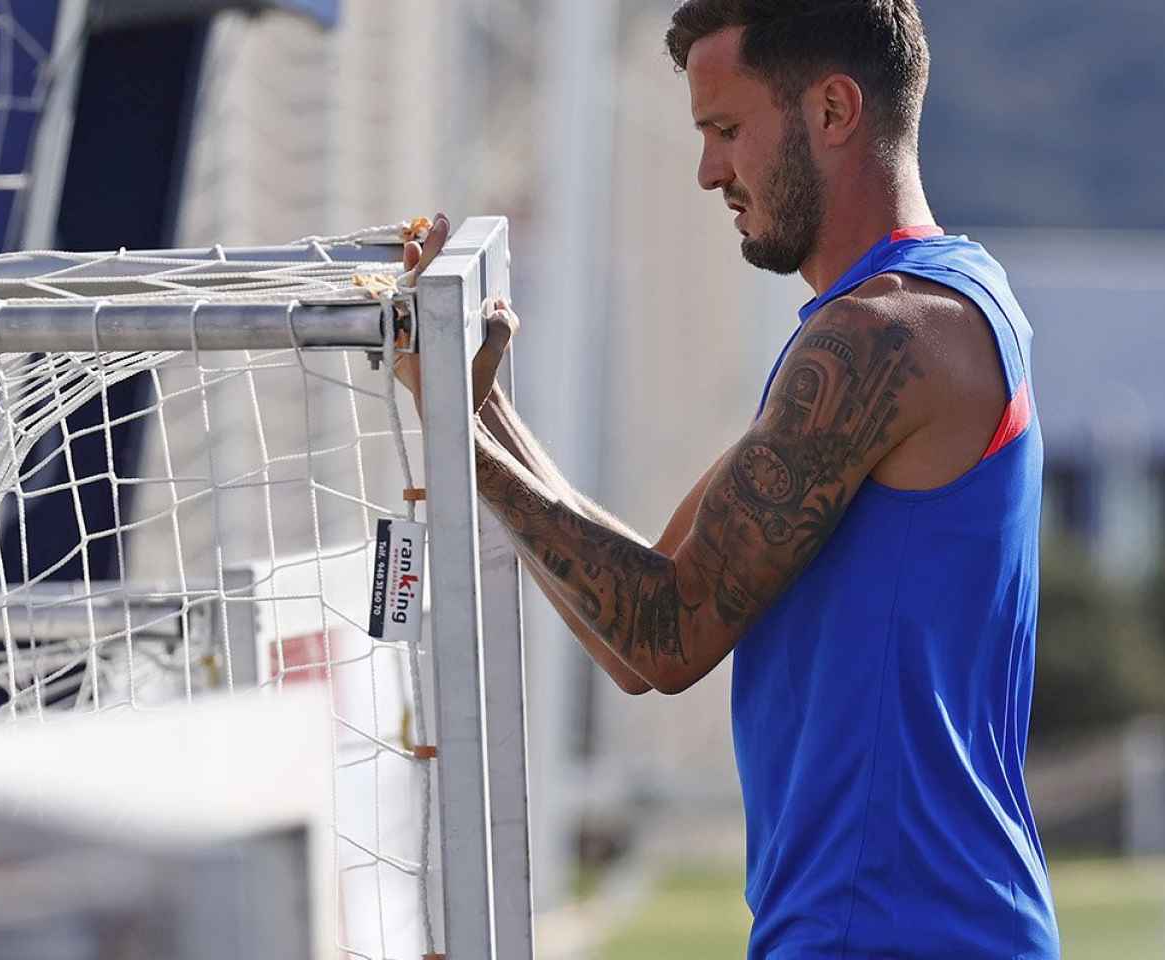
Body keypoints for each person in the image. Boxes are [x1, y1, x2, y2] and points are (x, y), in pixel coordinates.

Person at [394, 1, 1058, 956]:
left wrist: (455, 430)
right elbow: (638, 625)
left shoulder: (886, 337)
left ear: (834, 110)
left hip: (896, 936)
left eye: (727, 130)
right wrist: (480, 413)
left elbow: (667, 635)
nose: (709, 170)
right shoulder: (896, 319)